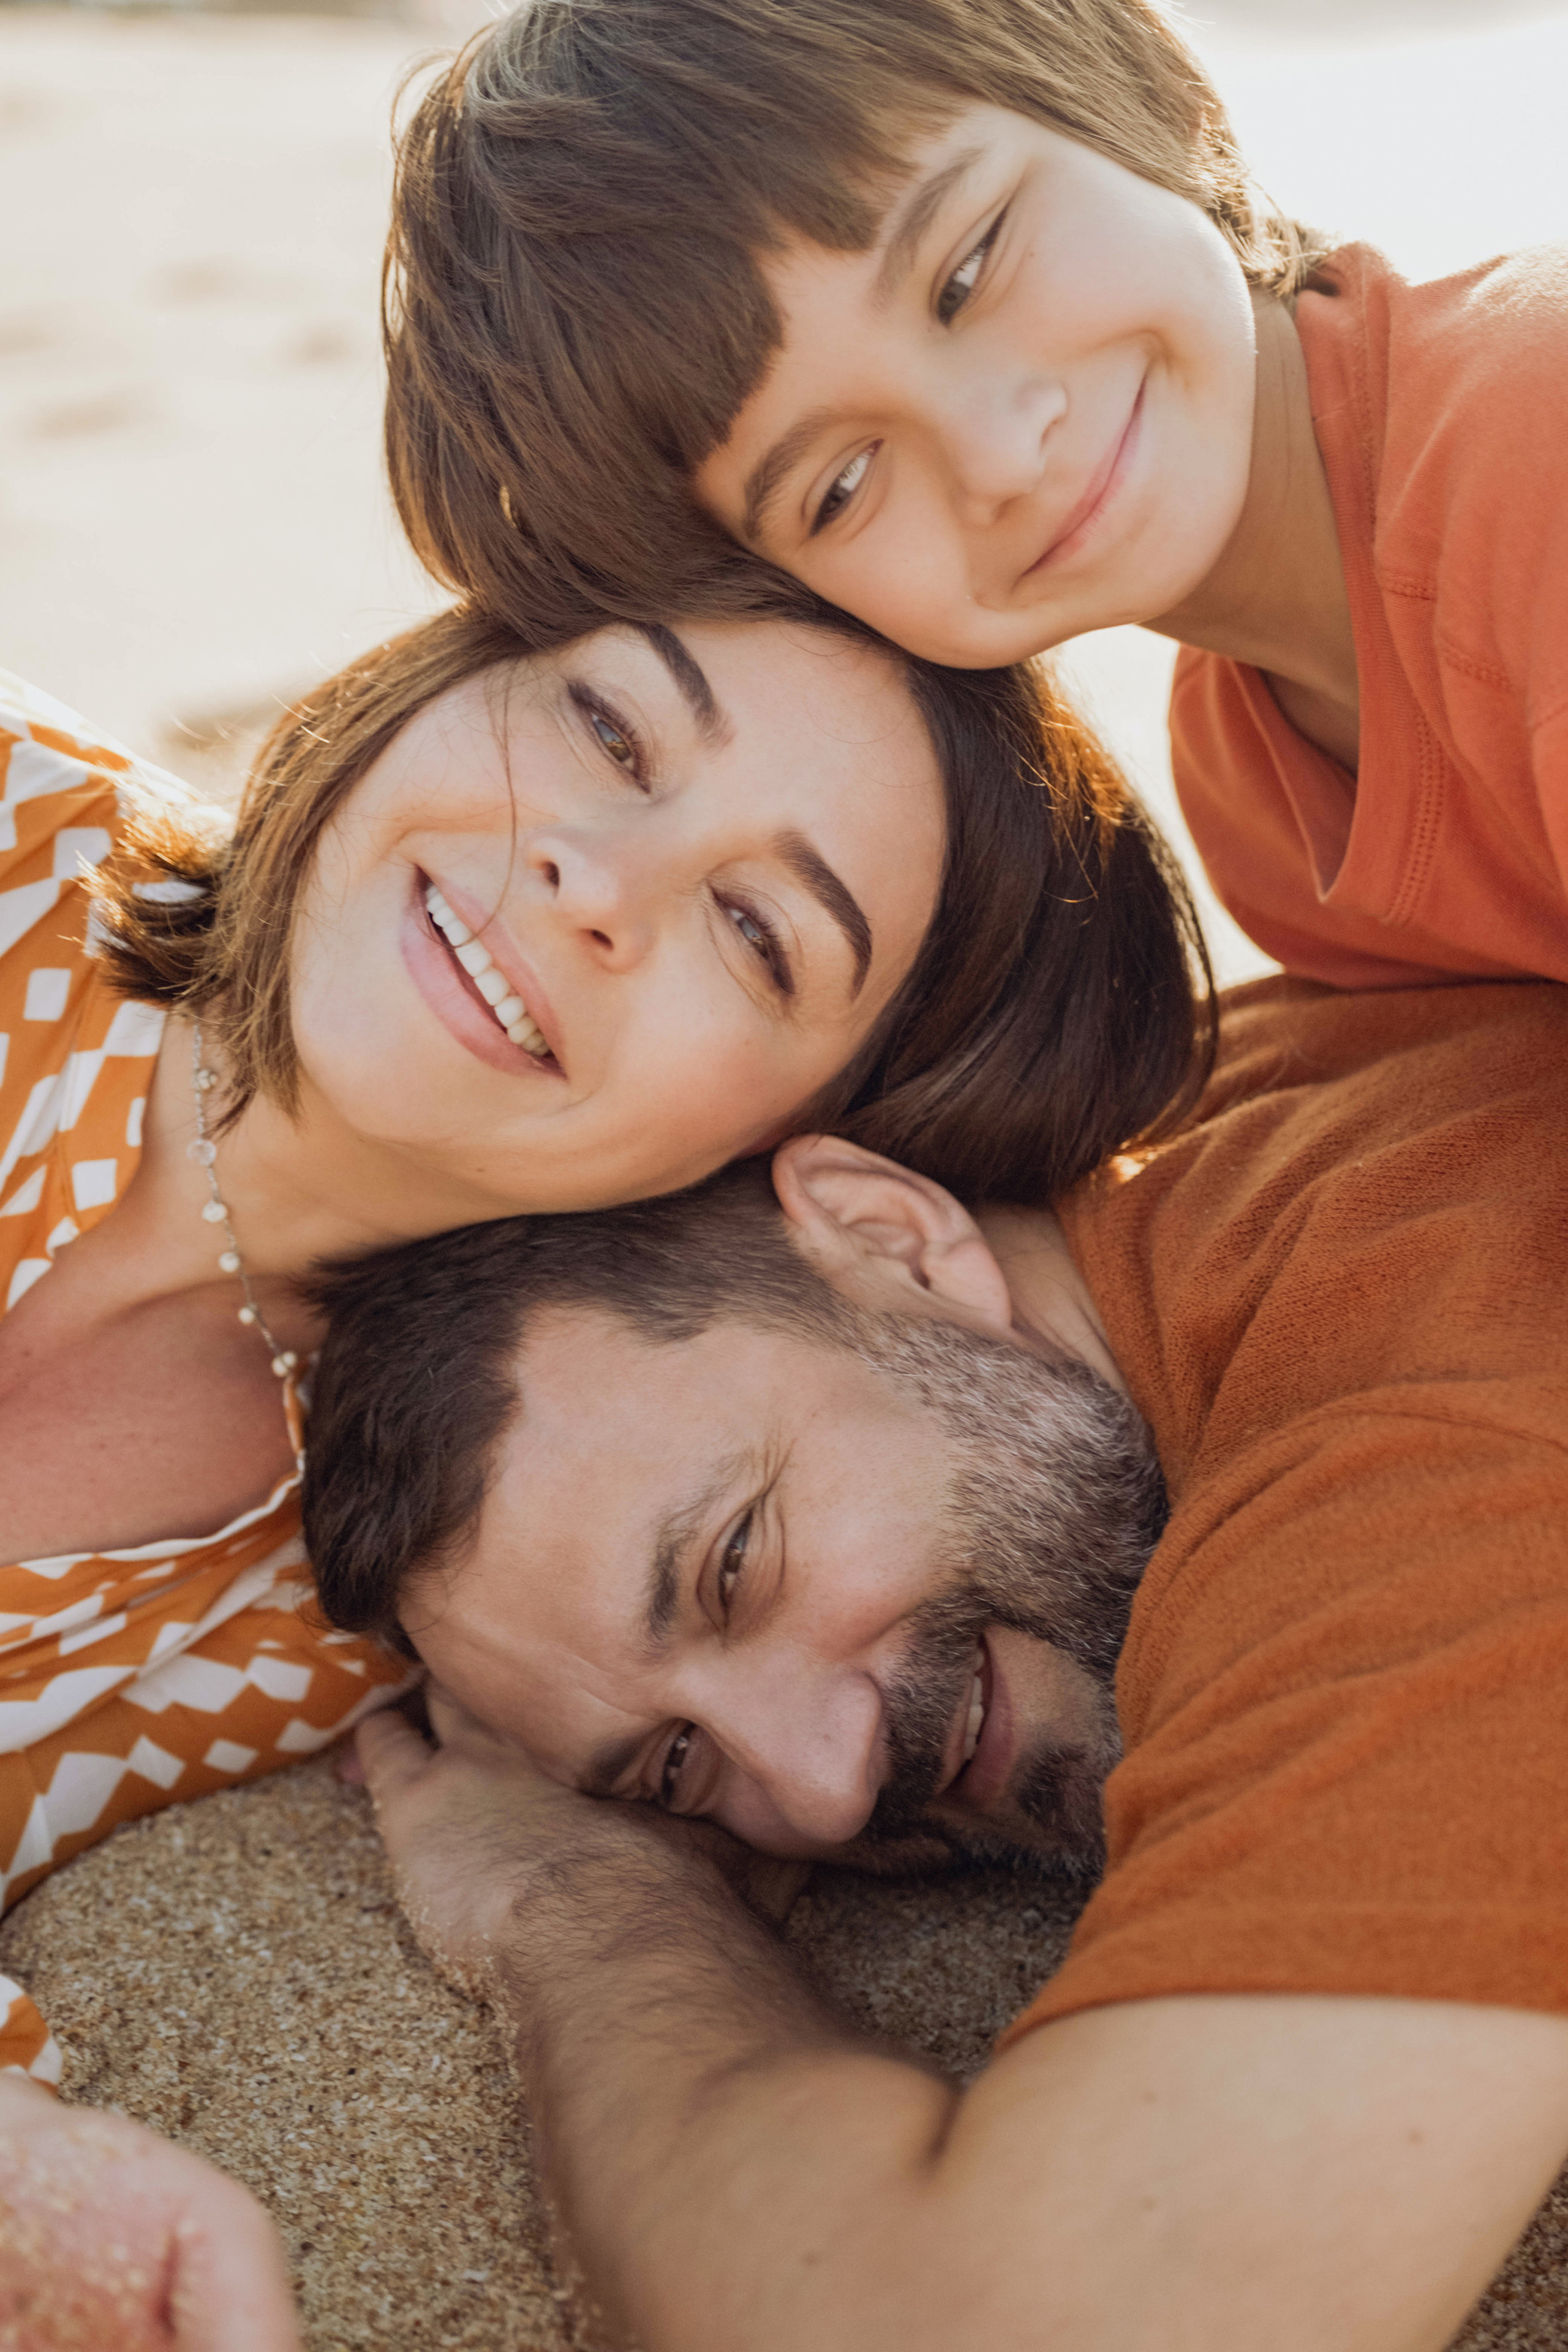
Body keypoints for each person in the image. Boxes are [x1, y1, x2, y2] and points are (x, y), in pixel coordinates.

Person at [0, 600, 1205, 2339]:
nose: (593, 880)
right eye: (610, 732)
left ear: (799, 1132)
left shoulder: (382, 1602)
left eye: (758, 935)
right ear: (434, 673)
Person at [305, 971, 1568, 2351]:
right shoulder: (1209, 1121)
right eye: (677, 1769)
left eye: (734, 1567)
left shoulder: (1429, 1452)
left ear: (887, 1236)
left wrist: (576, 1903)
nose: (822, 1789)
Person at [382, 0, 1568, 992]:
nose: (998, 456)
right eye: (840, 486)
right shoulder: (1250, 793)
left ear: (1122, 88)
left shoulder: (1531, 435)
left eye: (965, 268)